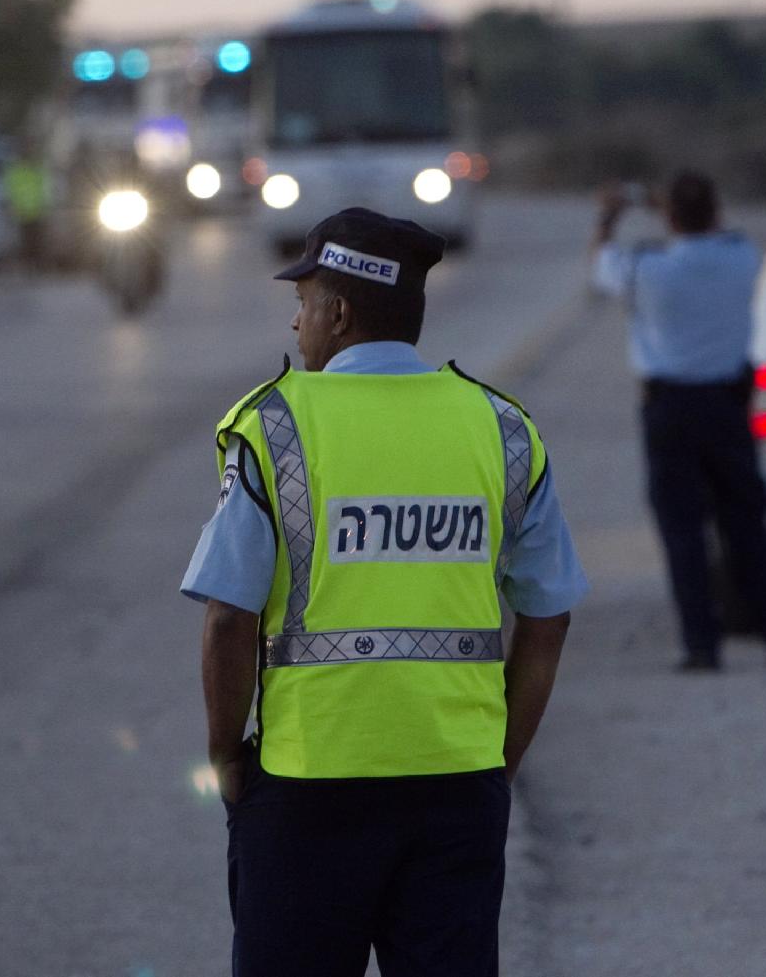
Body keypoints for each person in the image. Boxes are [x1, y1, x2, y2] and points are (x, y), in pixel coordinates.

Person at [183, 207, 586, 977]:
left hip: (309, 788)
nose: (297, 319)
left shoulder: (276, 427)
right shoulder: (502, 429)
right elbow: (548, 616)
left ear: (336, 313)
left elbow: (228, 616)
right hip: (456, 784)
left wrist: (224, 755)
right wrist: (497, 763)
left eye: (303, 301)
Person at [592, 173, 766, 670]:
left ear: (669, 218)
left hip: (670, 409)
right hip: (730, 405)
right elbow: (718, 230)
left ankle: (702, 645)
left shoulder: (646, 267)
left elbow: (600, 268)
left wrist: (611, 215)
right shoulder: (741, 256)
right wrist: (666, 203)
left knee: (682, 531)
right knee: (748, 525)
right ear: (715, 211)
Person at [2, 149, 51, 270]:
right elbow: (9, 191)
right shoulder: (17, 172)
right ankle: (29, 265)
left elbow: (45, 190)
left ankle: (36, 265)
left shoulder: (35, 170)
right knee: (26, 242)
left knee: (37, 242)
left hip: (35, 212)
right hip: (23, 213)